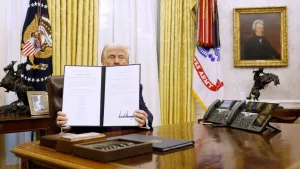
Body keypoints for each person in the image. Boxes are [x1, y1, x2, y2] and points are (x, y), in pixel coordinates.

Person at [56, 44, 153, 133]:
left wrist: (144, 120)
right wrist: (66, 124)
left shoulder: (135, 87)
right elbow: (71, 121)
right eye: (111, 57)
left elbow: (148, 116)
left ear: (127, 62)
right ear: (102, 61)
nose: (117, 61)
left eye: (121, 57)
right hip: (91, 140)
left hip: (125, 141)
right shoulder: (81, 84)